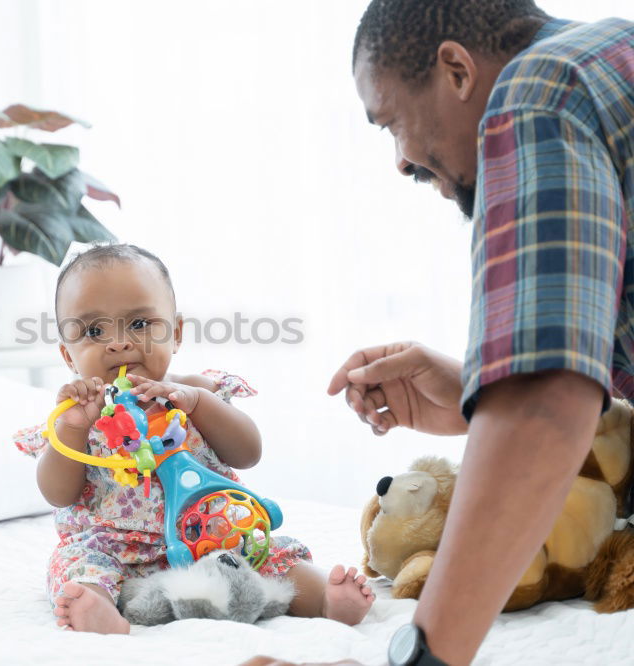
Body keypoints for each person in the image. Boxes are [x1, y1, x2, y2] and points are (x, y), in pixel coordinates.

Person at [245, 2, 633, 665]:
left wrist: (422, 656)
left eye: (391, 121)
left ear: (456, 69)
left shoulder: (536, 96)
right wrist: (475, 395)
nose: (400, 161)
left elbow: (544, 404)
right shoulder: (612, 52)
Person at [13, 243, 375, 634]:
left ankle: (323, 598)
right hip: (116, 547)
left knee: (268, 551)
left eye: (139, 324)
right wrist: (72, 429)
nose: (118, 343)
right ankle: (98, 610)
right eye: (94, 330)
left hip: (211, 533)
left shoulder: (194, 392)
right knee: (74, 562)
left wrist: (200, 404)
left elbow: (248, 452)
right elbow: (57, 494)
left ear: (177, 333)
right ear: (68, 356)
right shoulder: (77, 415)